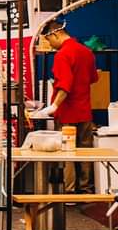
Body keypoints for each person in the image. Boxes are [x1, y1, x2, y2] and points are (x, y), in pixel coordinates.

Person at [39, 19, 99, 193]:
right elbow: (94, 78)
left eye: (49, 41)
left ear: (55, 34)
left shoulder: (63, 55)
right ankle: (86, 189)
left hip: (67, 114)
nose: (50, 45)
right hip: (85, 112)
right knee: (85, 152)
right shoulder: (86, 52)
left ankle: (69, 190)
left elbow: (65, 85)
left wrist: (54, 106)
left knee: (67, 153)